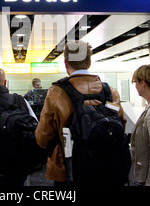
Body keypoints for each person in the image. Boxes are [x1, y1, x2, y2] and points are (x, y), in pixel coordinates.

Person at [35, 41, 126, 185]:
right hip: (108, 166)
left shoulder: (57, 92)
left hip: (69, 169)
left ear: (66, 63)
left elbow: (43, 137)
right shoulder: (110, 93)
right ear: (89, 62)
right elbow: (120, 124)